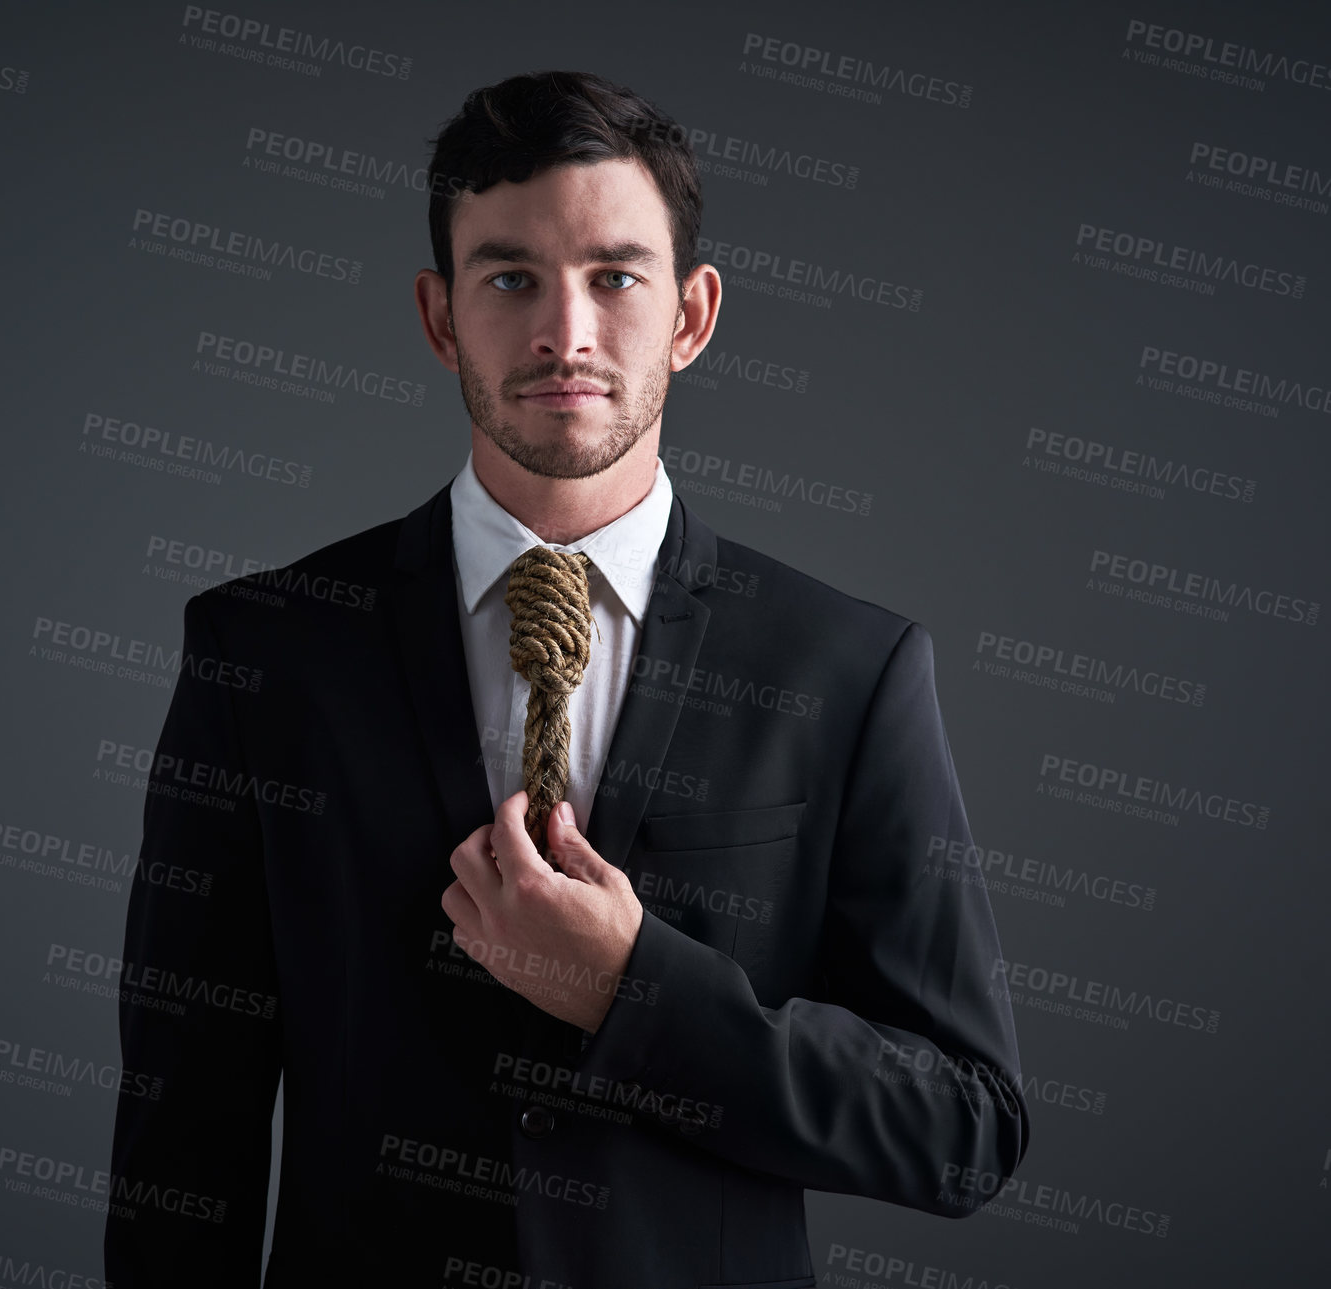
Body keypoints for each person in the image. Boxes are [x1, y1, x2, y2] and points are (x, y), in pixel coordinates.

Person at [105, 69, 1029, 1289]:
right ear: (439, 317)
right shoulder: (264, 650)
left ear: (692, 315)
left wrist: (634, 989)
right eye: (509, 278)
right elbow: (186, 1132)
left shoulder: (848, 669)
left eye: (614, 276)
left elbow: (962, 1127)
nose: (564, 334)